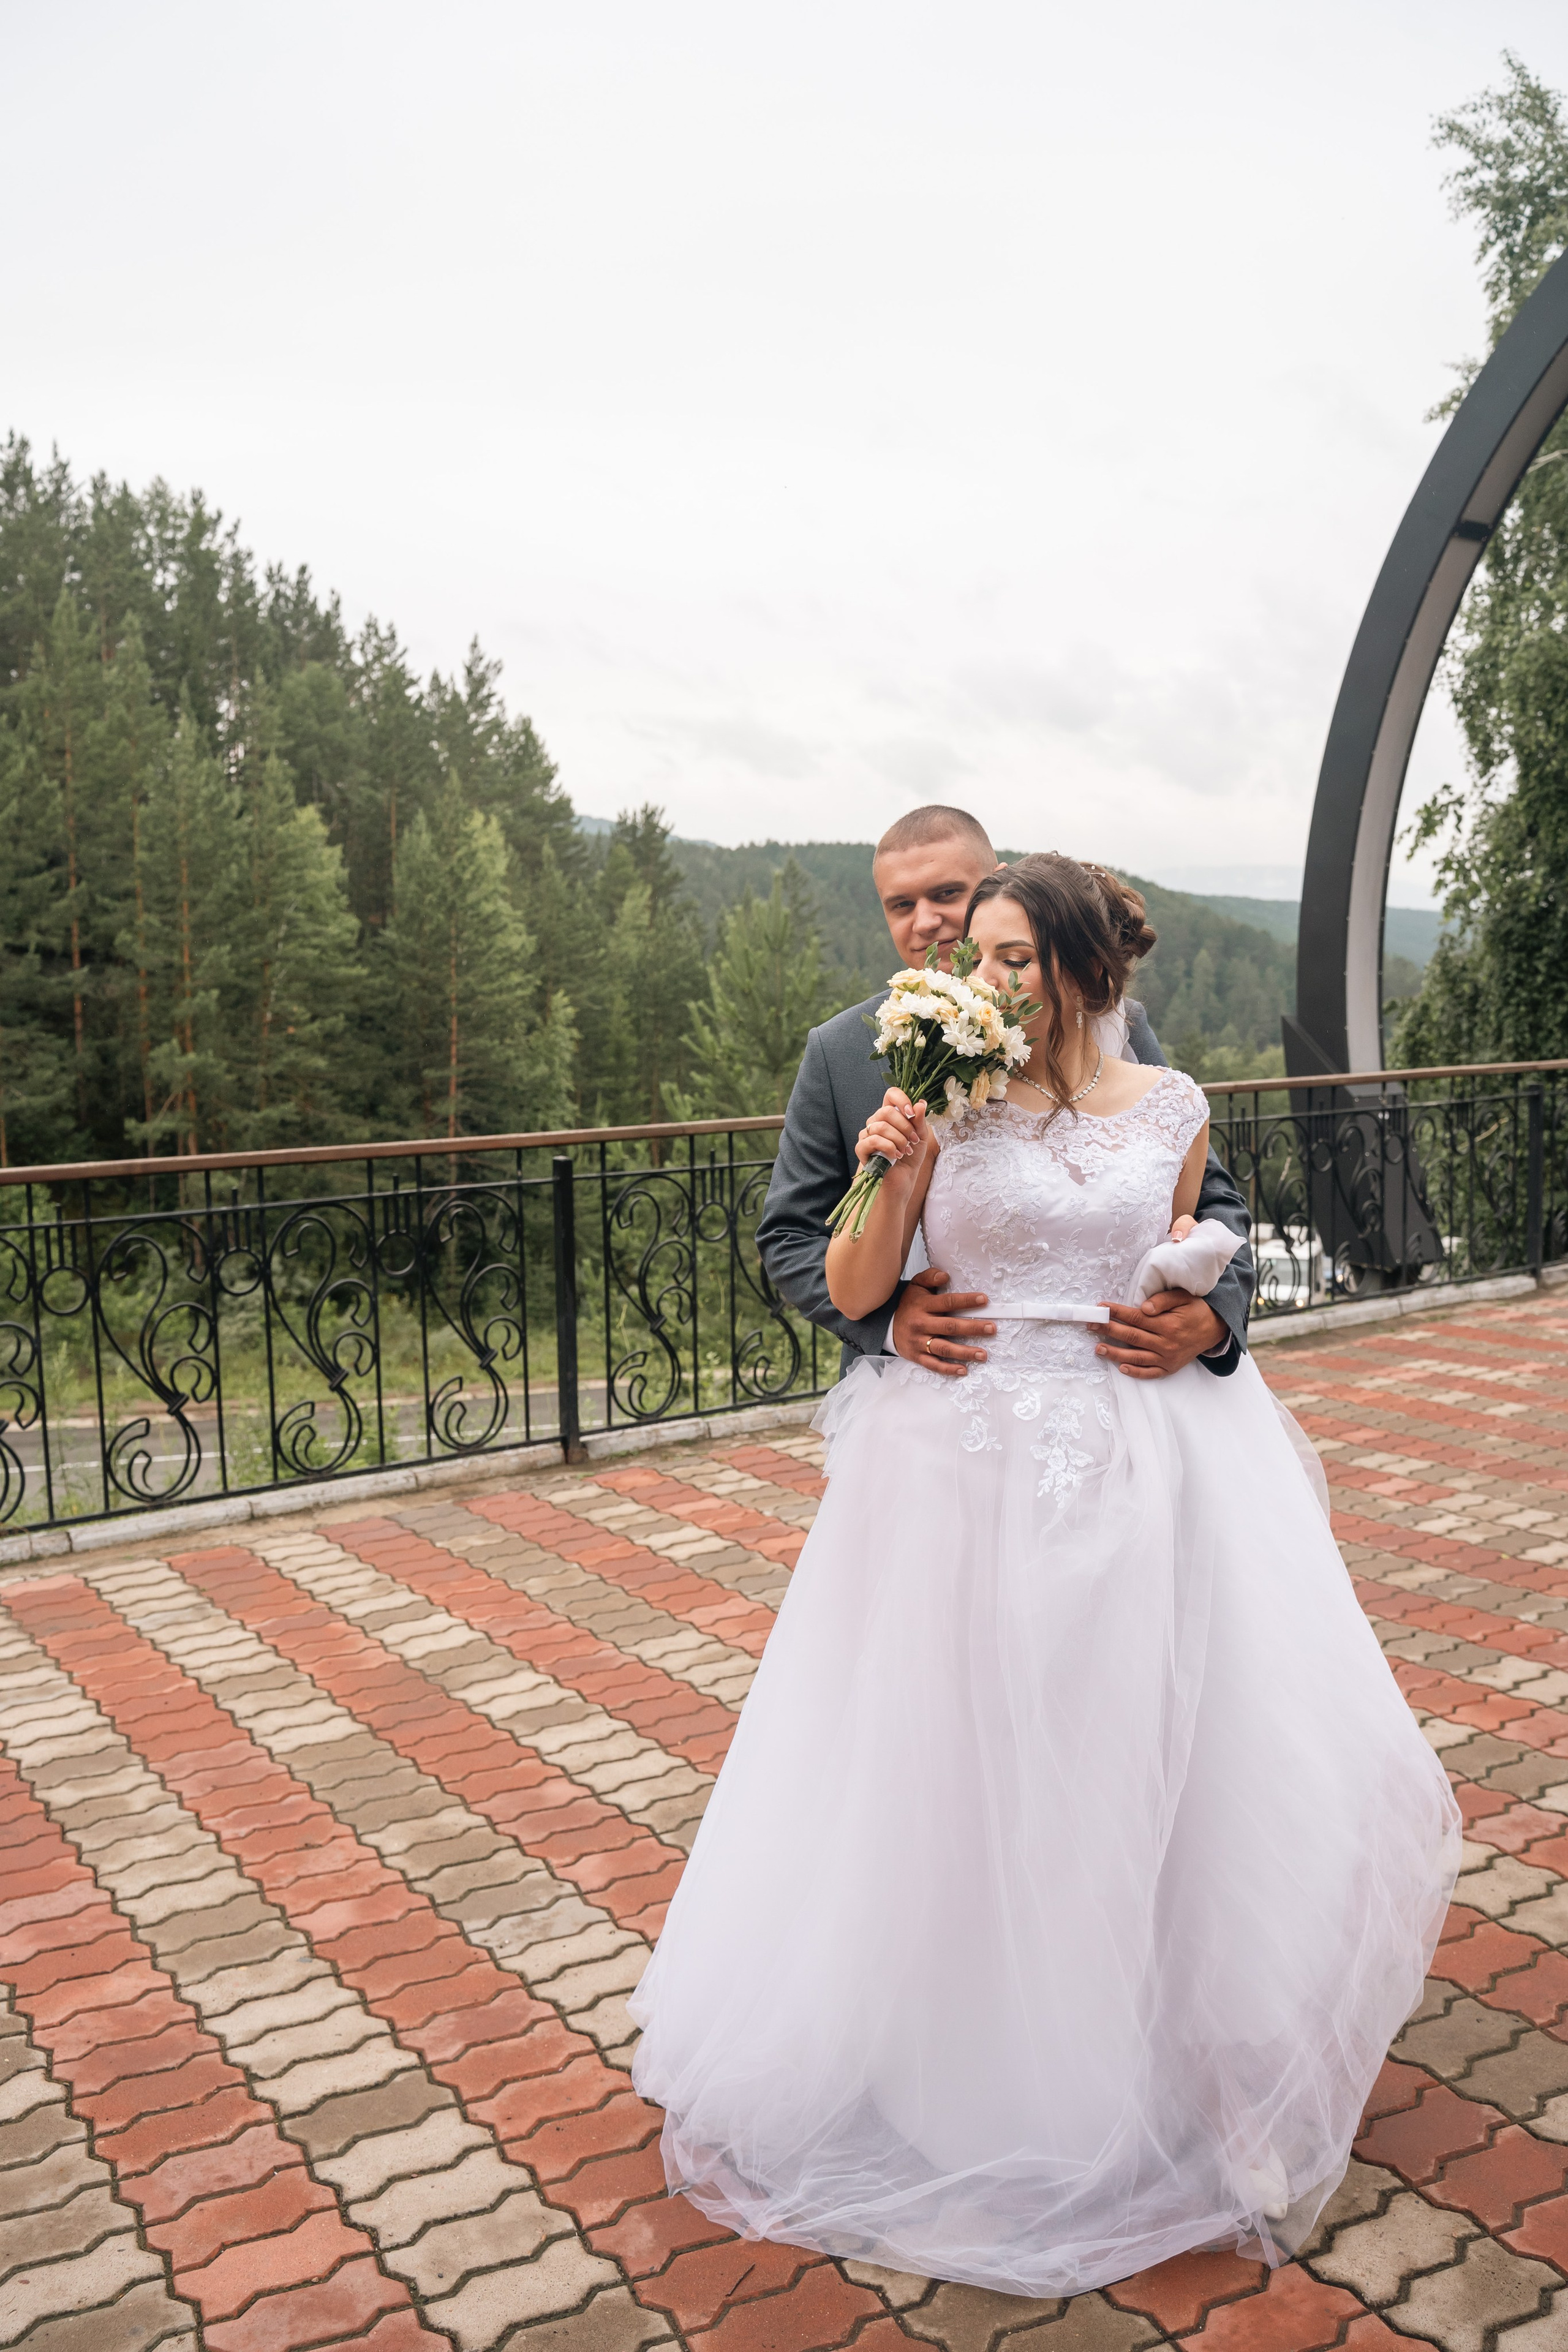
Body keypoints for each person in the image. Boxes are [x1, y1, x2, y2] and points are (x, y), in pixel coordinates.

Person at [630, 854, 1459, 2294]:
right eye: (978, 954)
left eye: (1014, 956)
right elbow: (843, 1286)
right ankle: (962, 2070)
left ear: (1083, 970)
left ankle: (1194, 2073)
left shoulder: (1178, 1108)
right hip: (957, 1473)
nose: (986, 976)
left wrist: (1203, 1323)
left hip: (1149, 1465)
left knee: (1148, 1753)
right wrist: (891, 1165)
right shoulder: (938, 1100)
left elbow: (1203, 1256)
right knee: (956, 1759)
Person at [755, 804, 1253, 1388]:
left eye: (947, 894)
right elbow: (790, 1234)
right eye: (901, 905)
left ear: (996, 883)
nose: (927, 922)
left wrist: (1213, 1318)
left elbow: (1203, 1199)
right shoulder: (842, 1049)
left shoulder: (1116, 1023)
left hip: (1119, 1381)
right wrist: (891, 1323)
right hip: (932, 1390)